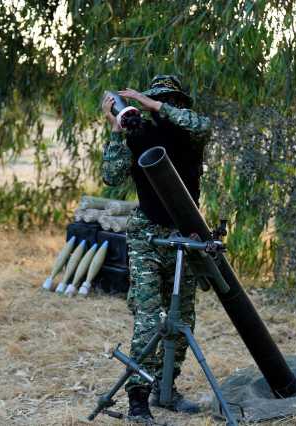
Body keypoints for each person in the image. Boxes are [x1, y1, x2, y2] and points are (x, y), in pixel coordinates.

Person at [101, 75, 211, 420]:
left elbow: (200, 123)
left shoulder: (192, 136)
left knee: (182, 321)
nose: (169, 107)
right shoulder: (140, 135)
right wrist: (117, 132)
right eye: (162, 100)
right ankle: (138, 399)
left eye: (172, 102)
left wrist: (151, 102)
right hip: (147, 236)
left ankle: (167, 388)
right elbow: (111, 175)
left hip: (185, 235)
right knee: (150, 321)